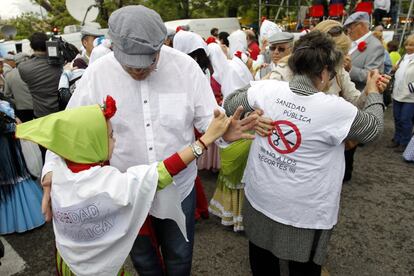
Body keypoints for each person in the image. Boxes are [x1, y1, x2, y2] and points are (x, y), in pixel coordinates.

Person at [41, 5, 257, 276]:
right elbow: (68, 130)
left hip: (179, 186)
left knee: (180, 256)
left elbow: (207, 122)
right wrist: (51, 170)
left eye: (148, 63)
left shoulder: (185, 68)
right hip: (126, 190)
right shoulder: (98, 73)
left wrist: (224, 132)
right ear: (115, 48)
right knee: (142, 258)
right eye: (131, 65)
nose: (139, 71)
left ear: (161, 45)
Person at [224, 31, 384, 276]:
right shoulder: (334, 109)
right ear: (323, 73)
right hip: (304, 211)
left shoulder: (267, 89)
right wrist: (373, 91)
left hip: (261, 197)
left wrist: (249, 116)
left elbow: (230, 103)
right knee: (304, 268)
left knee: (261, 261)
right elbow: (373, 129)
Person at [16, 95, 232, 275]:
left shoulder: (61, 172)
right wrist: (205, 140)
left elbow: (61, 140)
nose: (115, 140)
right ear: (93, 143)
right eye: (110, 135)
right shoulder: (109, 184)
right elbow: (164, 170)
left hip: (67, 261)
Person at [344, 11, 385, 181]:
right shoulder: (352, 43)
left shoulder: (375, 46)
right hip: (345, 96)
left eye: (351, 28)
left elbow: (373, 74)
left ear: (361, 26)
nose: (349, 32)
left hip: (359, 96)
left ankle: (346, 173)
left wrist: (348, 69)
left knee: (351, 138)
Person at [0, 99, 45, 234]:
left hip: (9, 147)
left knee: (10, 180)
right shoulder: (4, 105)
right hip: (7, 149)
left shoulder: (4, 104)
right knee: (14, 178)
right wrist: (14, 124)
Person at [389, 34, 414, 153]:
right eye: (408, 44)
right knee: (397, 118)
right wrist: (393, 69)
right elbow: (395, 72)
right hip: (397, 93)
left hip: (410, 96)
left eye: (412, 45)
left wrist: (411, 87)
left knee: (405, 119)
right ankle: (397, 139)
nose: (409, 47)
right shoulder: (403, 57)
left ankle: (405, 142)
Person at [3, 53, 34, 122]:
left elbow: (6, 94)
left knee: (26, 129)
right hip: (38, 107)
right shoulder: (34, 71)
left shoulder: (9, 74)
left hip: (21, 108)